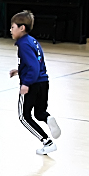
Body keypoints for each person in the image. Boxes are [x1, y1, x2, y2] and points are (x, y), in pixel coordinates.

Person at [9, 10, 61, 155]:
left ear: (22, 28)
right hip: (43, 82)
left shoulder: (23, 44)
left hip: (32, 84)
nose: (10, 30)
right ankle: (48, 118)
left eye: (13, 27)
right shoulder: (32, 41)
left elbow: (33, 66)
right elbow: (36, 63)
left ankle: (47, 142)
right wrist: (19, 70)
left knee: (24, 116)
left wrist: (26, 83)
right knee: (39, 113)